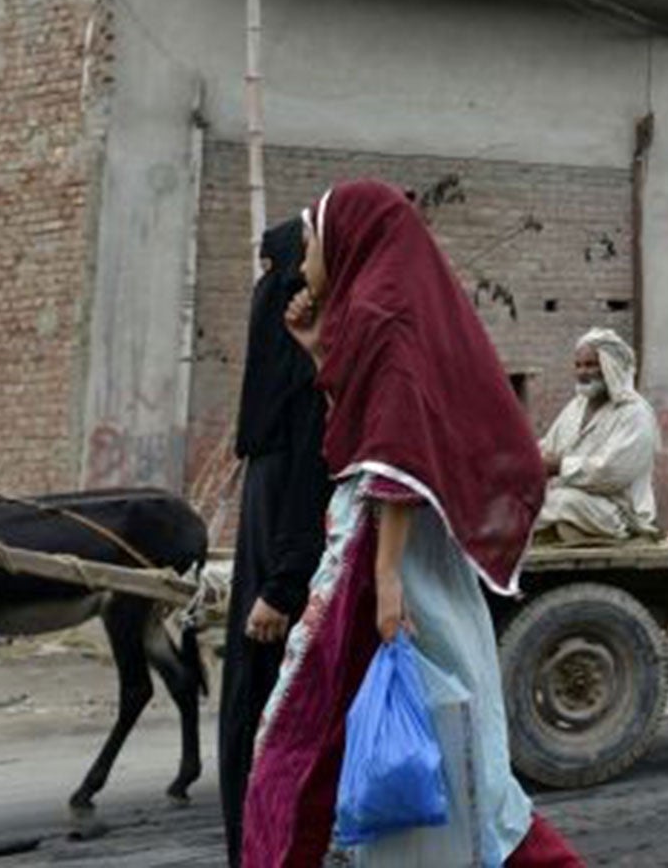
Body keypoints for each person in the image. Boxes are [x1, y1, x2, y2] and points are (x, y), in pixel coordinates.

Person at [242, 181, 582, 868]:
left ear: (346, 239)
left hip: (381, 557)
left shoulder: (383, 312)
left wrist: (387, 578)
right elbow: (368, 425)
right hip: (388, 555)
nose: (304, 258)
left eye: (310, 240)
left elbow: (395, 448)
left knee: (304, 745)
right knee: (428, 749)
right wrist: (316, 350)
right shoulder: (380, 310)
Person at [219, 218, 333, 868]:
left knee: (267, 725)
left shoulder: (306, 387)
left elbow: (310, 485)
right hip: (268, 556)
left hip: (282, 578)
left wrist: (281, 586)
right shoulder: (286, 384)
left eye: (273, 272)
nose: (264, 290)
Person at [535, 329, 660, 544]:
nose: (582, 372)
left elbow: (610, 473)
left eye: (590, 365)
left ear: (611, 366)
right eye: (578, 365)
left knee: (560, 500)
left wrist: (558, 467)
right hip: (584, 506)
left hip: (619, 513)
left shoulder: (634, 413)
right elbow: (549, 446)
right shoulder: (576, 407)